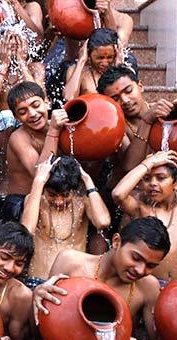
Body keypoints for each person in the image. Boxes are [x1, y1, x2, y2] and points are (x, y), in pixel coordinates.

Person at [27, 217, 172, 340]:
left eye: (150, 266)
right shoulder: (71, 263)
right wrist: (37, 297)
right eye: (136, 258)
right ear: (116, 241)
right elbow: (36, 331)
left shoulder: (148, 287)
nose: (140, 270)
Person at [21, 156, 111, 288]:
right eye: (52, 194)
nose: (59, 201)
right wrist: (39, 181)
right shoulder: (36, 200)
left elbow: (103, 222)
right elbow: (27, 230)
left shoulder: (83, 203)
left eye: (65, 195)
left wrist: (87, 179)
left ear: (74, 190)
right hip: (38, 280)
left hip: (73, 283)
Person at [112, 150, 177, 284]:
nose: (153, 183)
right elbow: (118, 194)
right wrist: (148, 163)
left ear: (175, 183)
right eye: (147, 179)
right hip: (147, 285)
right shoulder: (141, 210)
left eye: (161, 178)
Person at [97, 65, 177, 173]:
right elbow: (130, 166)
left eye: (129, 91)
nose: (125, 100)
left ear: (140, 86)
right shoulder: (117, 126)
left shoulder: (163, 112)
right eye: (116, 98)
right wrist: (146, 121)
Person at [0, 82, 68, 201]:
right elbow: (40, 175)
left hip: (56, 198)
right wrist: (54, 130)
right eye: (22, 112)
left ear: (47, 102)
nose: (32, 114)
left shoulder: (58, 124)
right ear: (16, 118)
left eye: (36, 105)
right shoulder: (18, 138)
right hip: (21, 202)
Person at [64, 28, 120, 101]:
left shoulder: (122, 70)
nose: (105, 63)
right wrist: (81, 61)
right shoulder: (76, 70)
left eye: (110, 57)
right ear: (88, 54)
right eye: (100, 58)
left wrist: (119, 66)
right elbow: (69, 98)